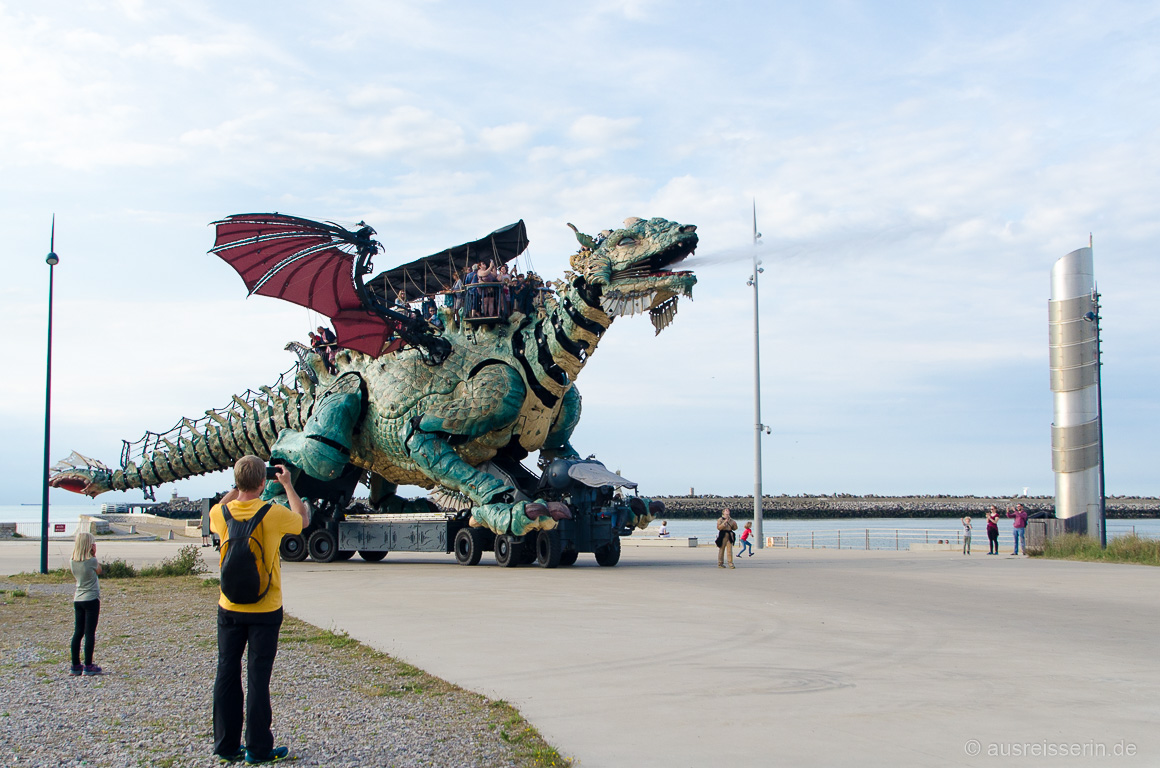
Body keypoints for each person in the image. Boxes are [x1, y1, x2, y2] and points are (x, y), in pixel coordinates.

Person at [210, 456, 309, 764]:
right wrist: (288, 485)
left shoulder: (220, 513)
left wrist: (235, 488)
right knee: (258, 678)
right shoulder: (272, 513)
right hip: (265, 609)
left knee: (226, 672)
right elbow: (303, 519)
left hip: (229, 606)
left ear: (237, 480)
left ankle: (226, 746)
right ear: (263, 481)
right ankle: (258, 749)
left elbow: (223, 506)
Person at [69, 530, 103, 677]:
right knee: (89, 633)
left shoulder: (72, 561)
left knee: (78, 632)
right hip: (91, 598)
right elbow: (99, 571)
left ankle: (75, 665)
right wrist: (94, 554)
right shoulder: (92, 561)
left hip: (78, 598)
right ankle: (88, 665)